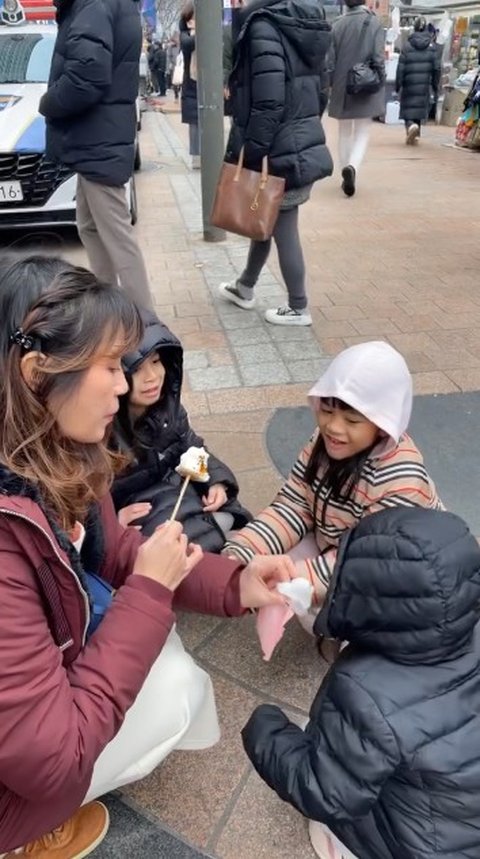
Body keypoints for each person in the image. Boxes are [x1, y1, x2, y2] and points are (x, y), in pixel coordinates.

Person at [0, 253, 294, 857]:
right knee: (177, 688)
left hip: (33, 712)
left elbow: (116, 554)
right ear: (35, 373)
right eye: (108, 365)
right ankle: (23, 835)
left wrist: (235, 583)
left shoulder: (61, 454)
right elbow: (50, 762)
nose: (123, 382)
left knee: (161, 648)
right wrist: (151, 593)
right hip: (22, 776)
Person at [242, 506, 480, 859]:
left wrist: (265, 727)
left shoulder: (366, 690)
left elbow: (324, 792)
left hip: (414, 849)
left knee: (318, 747)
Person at [224, 341, 442, 616]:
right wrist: (240, 553)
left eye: (352, 420)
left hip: (397, 571)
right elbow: (294, 505)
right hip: (336, 540)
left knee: (329, 609)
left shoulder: (401, 480)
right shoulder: (323, 443)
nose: (333, 427)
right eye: (326, 411)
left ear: (384, 424)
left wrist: (291, 581)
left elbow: (367, 561)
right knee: (267, 568)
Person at [217, 0, 333, 328]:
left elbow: (268, 100)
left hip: (276, 147)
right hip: (296, 139)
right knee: (265, 217)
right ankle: (245, 286)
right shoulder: (307, 22)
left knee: (283, 227)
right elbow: (322, 88)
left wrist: (253, 150)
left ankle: (298, 306)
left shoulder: (262, 25)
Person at [39, 0, 153, 311]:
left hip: (96, 138)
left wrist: (47, 102)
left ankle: (146, 326)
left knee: (116, 235)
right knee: (90, 226)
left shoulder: (95, 4)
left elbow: (86, 77)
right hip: (98, 136)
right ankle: (108, 309)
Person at [112, 312, 251, 552]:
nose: (152, 377)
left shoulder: (169, 410)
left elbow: (192, 449)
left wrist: (215, 481)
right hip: (143, 518)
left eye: (156, 362)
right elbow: (85, 502)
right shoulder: (101, 429)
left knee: (236, 523)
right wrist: (109, 524)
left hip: (180, 494)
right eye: (137, 369)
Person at [328, 0, 385, 197]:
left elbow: (330, 61)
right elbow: (378, 57)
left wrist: (330, 83)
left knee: (344, 131)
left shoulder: (337, 24)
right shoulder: (374, 23)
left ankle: (345, 171)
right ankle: (352, 168)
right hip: (365, 82)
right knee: (363, 130)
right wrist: (380, 78)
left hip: (342, 86)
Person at [396, 17, 441, 145]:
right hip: (424, 84)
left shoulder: (407, 46)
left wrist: (398, 85)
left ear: (414, 28)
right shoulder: (432, 47)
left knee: (408, 109)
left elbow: (400, 68)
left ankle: (410, 126)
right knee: (419, 108)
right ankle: (416, 134)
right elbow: (437, 68)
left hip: (409, 84)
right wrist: (435, 85)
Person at [179, 1, 200, 169]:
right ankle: (196, 156)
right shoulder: (185, 36)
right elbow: (187, 44)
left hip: (206, 85)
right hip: (191, 84)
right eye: (189, 20)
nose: (191, 22)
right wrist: (196, 31)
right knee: (194, 123)